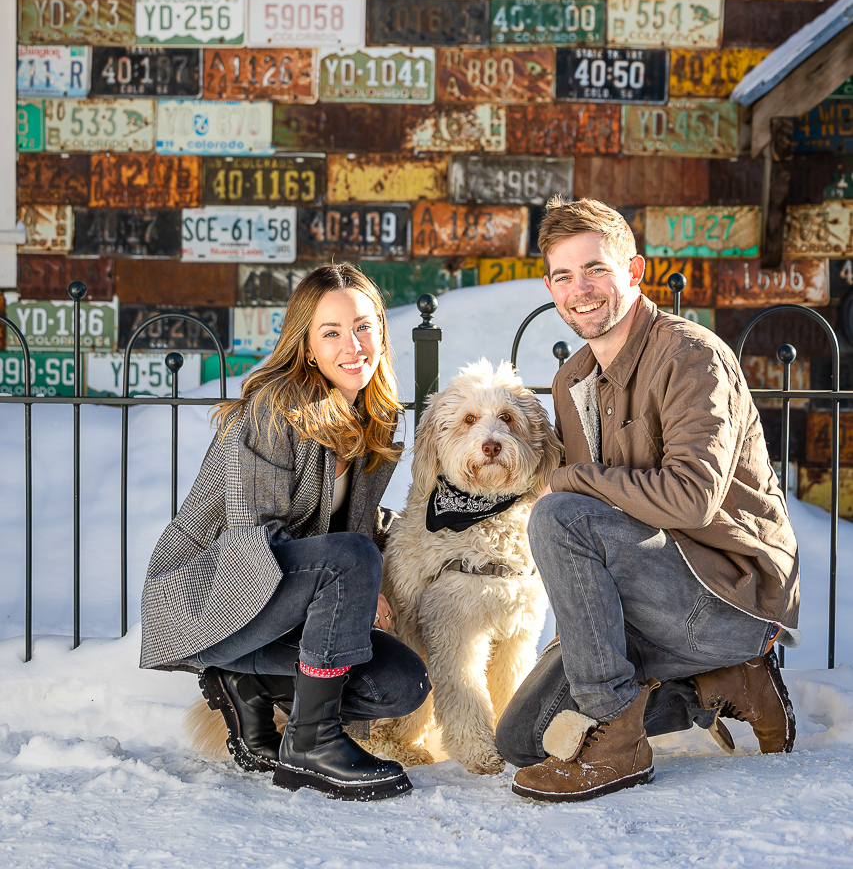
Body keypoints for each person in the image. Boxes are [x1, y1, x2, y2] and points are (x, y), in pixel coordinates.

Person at [496, 197, 799, 803]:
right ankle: (717, 686)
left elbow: (690, 502)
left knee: (559, 513)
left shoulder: (691, 356)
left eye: (596, 269)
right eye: (563, 276)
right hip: (649, 597)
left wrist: (573, 480)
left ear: (634, 272)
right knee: (524, 740)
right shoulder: (573, 379)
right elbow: (604, 528)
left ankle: (618, 744)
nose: (579, 290)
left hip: (726, 598)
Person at [140, 263, 430, 802]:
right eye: (332, 332)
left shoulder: (372, 416)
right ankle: (312, 746)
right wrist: (358, 579)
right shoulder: (277, 408)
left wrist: (420, 542)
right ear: (307, 346)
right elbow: (253, 539)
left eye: (364, 326)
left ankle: (241, 682)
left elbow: (351, 524)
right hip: (212, 595)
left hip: (283, 599)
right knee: (352, 558)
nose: (354, 345)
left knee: (400, 683)